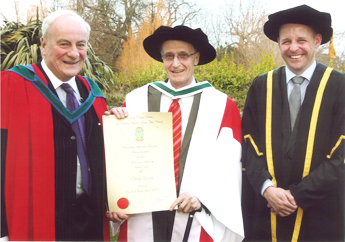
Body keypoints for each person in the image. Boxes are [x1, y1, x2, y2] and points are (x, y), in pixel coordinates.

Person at [105, 25, 244, 242]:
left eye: (183, 56)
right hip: (142, 215)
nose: (176, 63)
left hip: (194, 215)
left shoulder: (222, 105)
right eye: (169, 56)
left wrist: (202, 197)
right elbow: (121, 157)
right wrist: (116, 122)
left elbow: (229, 163)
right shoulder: (136, 100)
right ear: (162, 59)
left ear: (196, 58)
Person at [1, 10, 110, 241]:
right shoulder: (12, 86)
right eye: (64, 43)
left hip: (89, 220)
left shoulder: (94, 95)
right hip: (36, 219)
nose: (73, 53)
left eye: (80, 44)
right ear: (43, 45)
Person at [241, 4, 345, 242]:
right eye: (286, 41)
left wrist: (297, 195)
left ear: (317, 41)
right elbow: (248, 143)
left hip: (320, 213)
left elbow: (341, 155)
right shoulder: (261, 86)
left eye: (302, 40)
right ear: (278, 43)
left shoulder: (339, 87)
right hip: (266, 211)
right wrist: (267, 188)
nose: (293, 48)